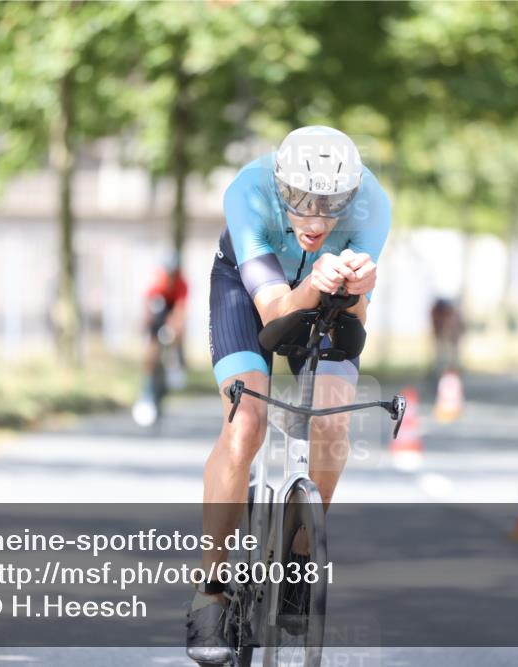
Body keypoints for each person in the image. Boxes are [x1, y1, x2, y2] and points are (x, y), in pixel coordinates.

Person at [186, 126, 390, 663]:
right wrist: (316, 283)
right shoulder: (248, 192)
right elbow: (276, 314)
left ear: (352, 194)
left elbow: (356, 323)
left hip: (326, 292)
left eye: (333, 205)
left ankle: (300, 555)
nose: (316, 219)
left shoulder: (373, 204)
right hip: (249, 290)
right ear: (281, 188)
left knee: (333, 420)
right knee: (245, 423)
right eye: (301, 201)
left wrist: (358, 290)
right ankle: (210, 592)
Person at [132, 254, 188, 427]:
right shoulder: (157, 281)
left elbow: (180, 310)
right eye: (168, 274)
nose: (170, 277)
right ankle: (147, 392)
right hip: (158, 310)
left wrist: (174, 328)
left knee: (178, 330)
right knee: (152, 351)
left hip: (172, 309)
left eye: (173, 274)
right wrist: (146, 326)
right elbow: (147, 309)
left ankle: (176, 361)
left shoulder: (182, 284)